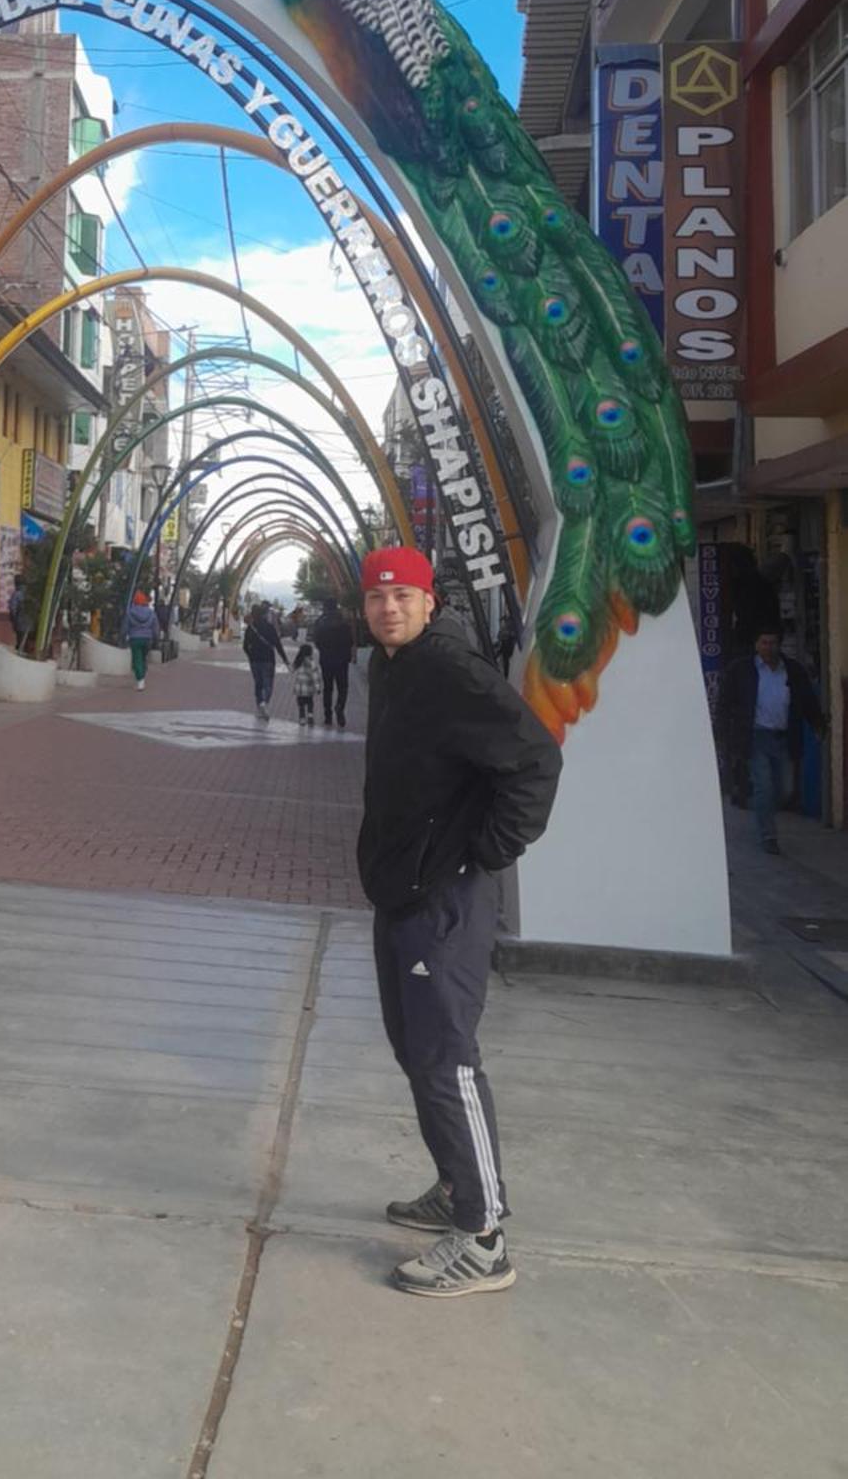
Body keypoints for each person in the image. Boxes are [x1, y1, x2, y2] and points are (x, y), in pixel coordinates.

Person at [358, 545, 561, 1298]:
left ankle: (483, 1236)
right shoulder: (393, 665)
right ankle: (454, 1185)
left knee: (447, 1057)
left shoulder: (450, 670)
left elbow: (537, 761)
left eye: (402, 597)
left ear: (428, 603)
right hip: (402, 892)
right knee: (416, 1049)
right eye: (377, 598)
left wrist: (482, 853)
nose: (389, 609)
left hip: (445, 896)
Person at [719, 629, 825, 854]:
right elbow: (725, 702)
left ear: (779, 645)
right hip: (756, 736)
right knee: (764, 786)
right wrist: (723, 732)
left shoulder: (793, 671)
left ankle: (756, 803)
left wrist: (818, 723)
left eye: (773, 642)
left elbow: (806, 699)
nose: (769, 647)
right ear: (756, 645)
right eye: (764, 642)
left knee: (786, 790)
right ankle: (768, 835)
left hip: (784, 737)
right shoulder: (742, 671)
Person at [312, 595, 357, 729]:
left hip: (326, 659)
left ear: (325, 606)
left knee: (328, 688)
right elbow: (350, 641)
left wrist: (324, 650)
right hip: (342, 659)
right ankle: (340, 707)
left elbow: (316, 641)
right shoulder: (344, 621)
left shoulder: (320, 622)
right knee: (343, 687)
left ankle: (327, 715)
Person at [243, 602, 288, 721]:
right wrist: (285, 659)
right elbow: (277, 644)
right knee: (268, 684)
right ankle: (264, 703)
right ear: (264, 614)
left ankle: (259, 706)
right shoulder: (269, 627)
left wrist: (251, 656)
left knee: (258, 684)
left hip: (255, 661)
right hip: (268, 660)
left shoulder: (250, 628)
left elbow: (245, 646)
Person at [125, 590, 160, 688]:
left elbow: (126, 626)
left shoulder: (130, 612)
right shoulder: (151, 613)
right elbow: (155, 626)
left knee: (137, 659)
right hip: (147, 638)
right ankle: (142, 676)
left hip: (134, 638)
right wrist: (156, 637)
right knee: (143, 658)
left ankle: (140, 679)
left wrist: (125, 635)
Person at [293, 639, 323, 727]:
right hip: (309, 688)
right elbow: (315, 676)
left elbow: (292, 669)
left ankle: (302, 719)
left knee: (301, 704)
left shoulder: (298, 661)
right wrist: (318, 688)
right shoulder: (312, 663)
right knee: (310, 702)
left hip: (299, 688)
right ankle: (310, 716)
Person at [8, 574, 28, 655]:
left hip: (20, 623)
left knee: (20, 644)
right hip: (30, 624)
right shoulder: (28, 594)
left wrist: (14, 621)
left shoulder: (16, 594)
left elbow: (13, 609)